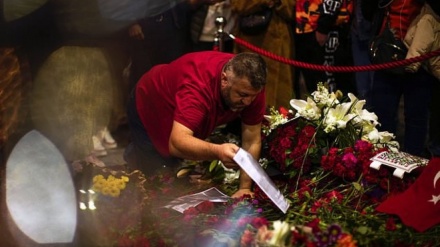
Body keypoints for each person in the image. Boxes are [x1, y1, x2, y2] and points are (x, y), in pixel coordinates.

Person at [124, 51, 267, 198]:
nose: (249, 102)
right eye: (242, 95)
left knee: (174, 169)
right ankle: (133, 154)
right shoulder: (198, 86)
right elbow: (177, 144)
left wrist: (244, 188)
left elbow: (252, 140)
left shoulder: (250, 86)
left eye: (253, 96)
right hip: (150, 104)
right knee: (155, 183)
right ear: (224, 80)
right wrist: (218, 151)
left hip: (182, 113)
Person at [363, 0, 436, 157]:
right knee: (381, 116)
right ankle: (383, 166)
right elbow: (367, 12)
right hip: (388, 51)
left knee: (416, 117)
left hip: (420, 54)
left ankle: (412, 167)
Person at [230, 0, 296, 108]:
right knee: (247, 84)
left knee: (280, 96)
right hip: (249, 41)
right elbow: (238, 5)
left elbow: (292, 9)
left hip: (280, 41)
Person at [294, 0, 356, 95]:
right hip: (305, 26)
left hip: (328, 28)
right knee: (314, 87)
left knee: (330, 87)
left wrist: (323, 26)